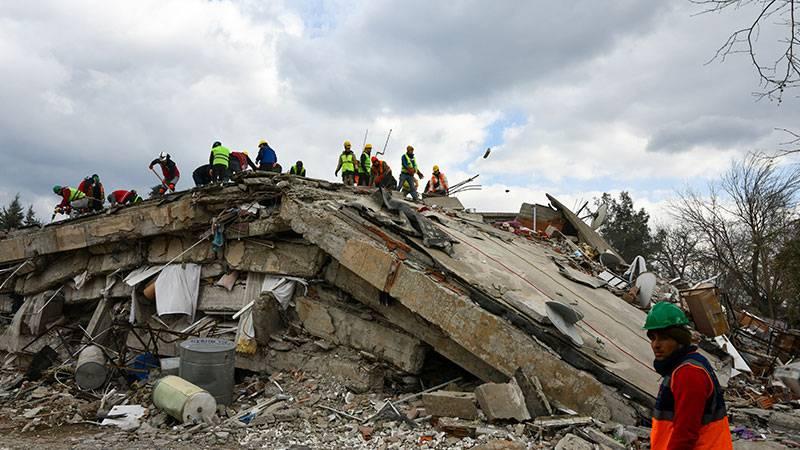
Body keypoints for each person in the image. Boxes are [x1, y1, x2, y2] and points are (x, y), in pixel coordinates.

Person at [645, 302, 733, 450]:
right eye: (653, 338)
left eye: (664, 338)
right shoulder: (682, 366)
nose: (656, 345)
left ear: (679, 341)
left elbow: (685, 434)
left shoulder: (689, 373)